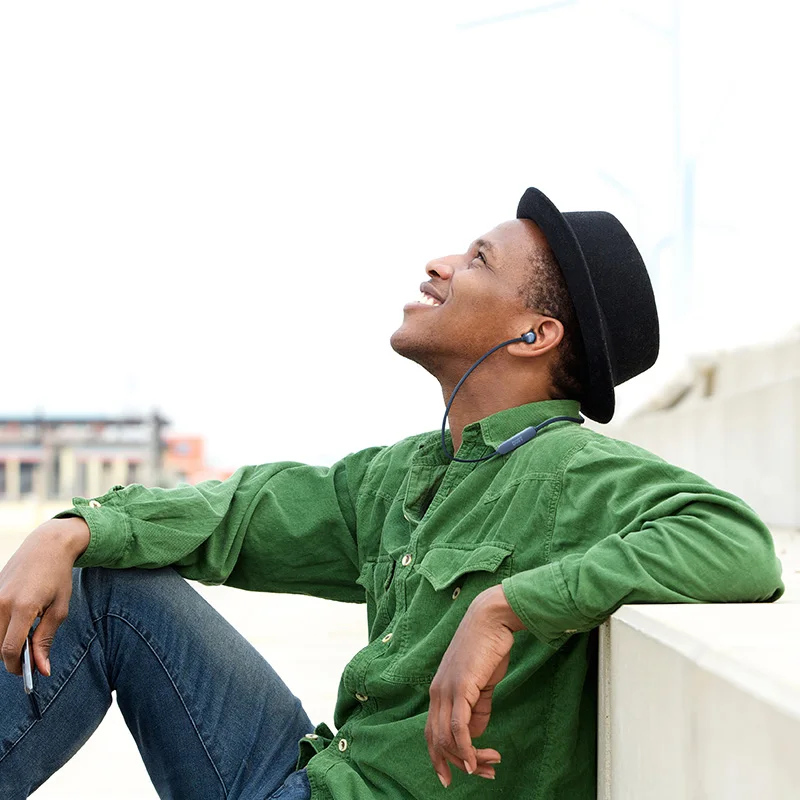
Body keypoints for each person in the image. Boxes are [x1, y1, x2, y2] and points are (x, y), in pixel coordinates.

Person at [0, 187, 784, 800]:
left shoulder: (574, 469)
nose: (438, 265)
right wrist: (69, 529)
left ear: (534, 335)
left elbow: (736, 544)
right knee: (103, 575)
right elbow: (244, 509)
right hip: (314, 778)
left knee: (102, 590)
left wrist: (506, 606)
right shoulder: (407, 472)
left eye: (477, 261)